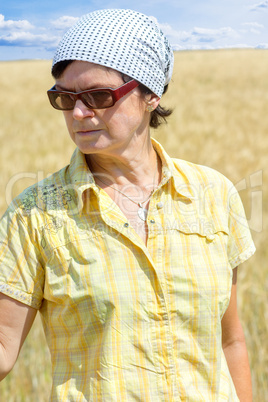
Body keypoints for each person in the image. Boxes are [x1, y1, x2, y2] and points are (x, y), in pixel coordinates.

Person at [0, 9, 255, 401]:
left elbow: (230, 341)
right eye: (64, 99)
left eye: (98, 96)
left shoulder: (214, 194)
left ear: (151, 94)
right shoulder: (32, 215)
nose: (79, 114)